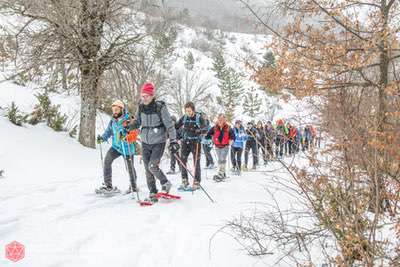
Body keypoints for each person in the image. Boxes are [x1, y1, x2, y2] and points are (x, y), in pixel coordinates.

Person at [129, 83, 179, 202]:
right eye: (142, 96)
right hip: (145, 142)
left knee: (152, 166)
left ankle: (165, 182)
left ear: (152, 96)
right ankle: (152, 191)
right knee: (147, 168)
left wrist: (173, 141)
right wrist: (130, 127)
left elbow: (169, 125)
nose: (144, 98)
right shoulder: (141, 107)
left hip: (158, 141)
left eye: (146, 96)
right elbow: (137, 122)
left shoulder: (160, 107)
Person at [96, 100, 139, 196]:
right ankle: (108, 186)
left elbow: (134, 135)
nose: (114, 112)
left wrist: (125, 137)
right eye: (113, 110)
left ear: (122, 109)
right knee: (107, 161)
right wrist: (102, 138)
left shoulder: (129, 120)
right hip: (116, 147)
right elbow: (108, 132)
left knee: (130, 168)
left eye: (116, 109)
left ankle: (133, 186)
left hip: (127, 148)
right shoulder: (113, 121)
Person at [175, 102, 207, 191]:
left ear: (193, 109)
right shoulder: (184, 117)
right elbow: (176, 126)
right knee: (182, 160)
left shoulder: (199, 117)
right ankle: (184, 180)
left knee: (196, 162)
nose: (188, 113)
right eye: (186, 111)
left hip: (196, 142)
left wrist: (200, 130)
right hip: (185, 142)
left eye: (189, 111)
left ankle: (197, 181)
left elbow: (205, 128)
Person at [205, 113, 234, 181]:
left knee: (222, 159)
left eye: (222, 119)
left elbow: (233, 136)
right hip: (217, 146)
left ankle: (220, 173)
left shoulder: (228, 127)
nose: (220, 121)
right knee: (219, 160)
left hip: (225, 146)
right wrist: (208, 136)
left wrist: (231, 140)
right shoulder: (214, 127)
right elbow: (208, 135)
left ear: (224, 120)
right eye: (219, 119)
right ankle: (223, 173)